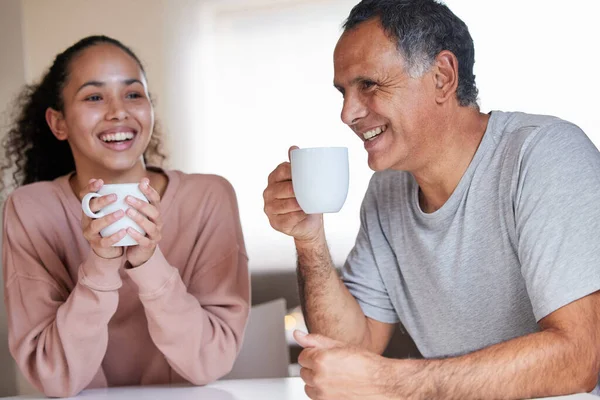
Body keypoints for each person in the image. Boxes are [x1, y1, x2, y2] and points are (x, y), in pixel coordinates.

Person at [263, 1, 600, 399]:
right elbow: (350, 350)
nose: (347, 113)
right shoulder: (386, 191)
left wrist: (390, 382)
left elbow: (580, 358)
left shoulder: (544, 155)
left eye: (368, 84)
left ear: (442, 76)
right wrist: (308, 238)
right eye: (344, 92)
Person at [1, 35, 249, 398]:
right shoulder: (29, 210)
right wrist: (100, 267)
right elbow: (55, 377)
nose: (119, 111)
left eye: (133, 94)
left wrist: (150, 263)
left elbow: (209, 363)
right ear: (58, 123)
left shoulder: (209, 197)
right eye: (94, 97)